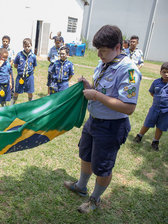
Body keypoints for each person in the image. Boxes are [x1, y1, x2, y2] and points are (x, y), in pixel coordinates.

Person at [63, 25, 142, 213]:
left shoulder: (129, 70)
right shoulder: (105, 62)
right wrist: (89, 87)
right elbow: (102, 90)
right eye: (97, 50)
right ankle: (81, 186)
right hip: (94, 121)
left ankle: (95, 199)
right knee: (86, 154)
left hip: (112, 126)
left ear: (118, 47)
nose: (99, 55)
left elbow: (128, 107)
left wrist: (96, 96)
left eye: (103, 51)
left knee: (102, 166)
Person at [133, 62, 168, 151]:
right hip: (155, 108)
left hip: (166, 111)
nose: (166, 74)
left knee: (160, 127)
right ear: (160, 72)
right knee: (148, 123)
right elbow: (152, 93)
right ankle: (139, 136)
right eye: (164, 72)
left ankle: (155, 142)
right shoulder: (156, 82)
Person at [11, 38, 37, 104]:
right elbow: (15, 65)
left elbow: (34, 66)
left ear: (31, 46)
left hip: (29, 77)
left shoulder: (33, 56)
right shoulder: (19, 55)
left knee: (30, 91)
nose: (27, 48)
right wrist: (21, 71)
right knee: (17, 91)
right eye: (25, 46)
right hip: (20, 77)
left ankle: (30, 104)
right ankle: (12, 104)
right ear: (23, 46)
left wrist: (29, 72)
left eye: (29, 46)